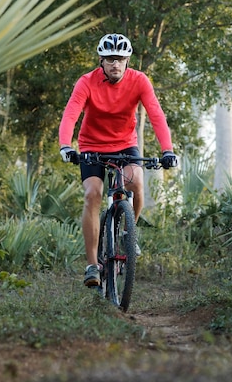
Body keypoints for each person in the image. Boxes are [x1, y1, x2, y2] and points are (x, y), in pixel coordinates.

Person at [58, 33, 178, 287]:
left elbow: (156, 114)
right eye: (110, 59)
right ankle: (92, 264)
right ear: (101, 61)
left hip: (125, 145)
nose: (116, 64)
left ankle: (128, 232)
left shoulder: (139, 81)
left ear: (127, 61)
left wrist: (167, 149)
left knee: (135, 181)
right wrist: (66, 146)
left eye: (121, 59)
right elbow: (71, 113)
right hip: (92, 146)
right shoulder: (86, 82)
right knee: (93, 194)